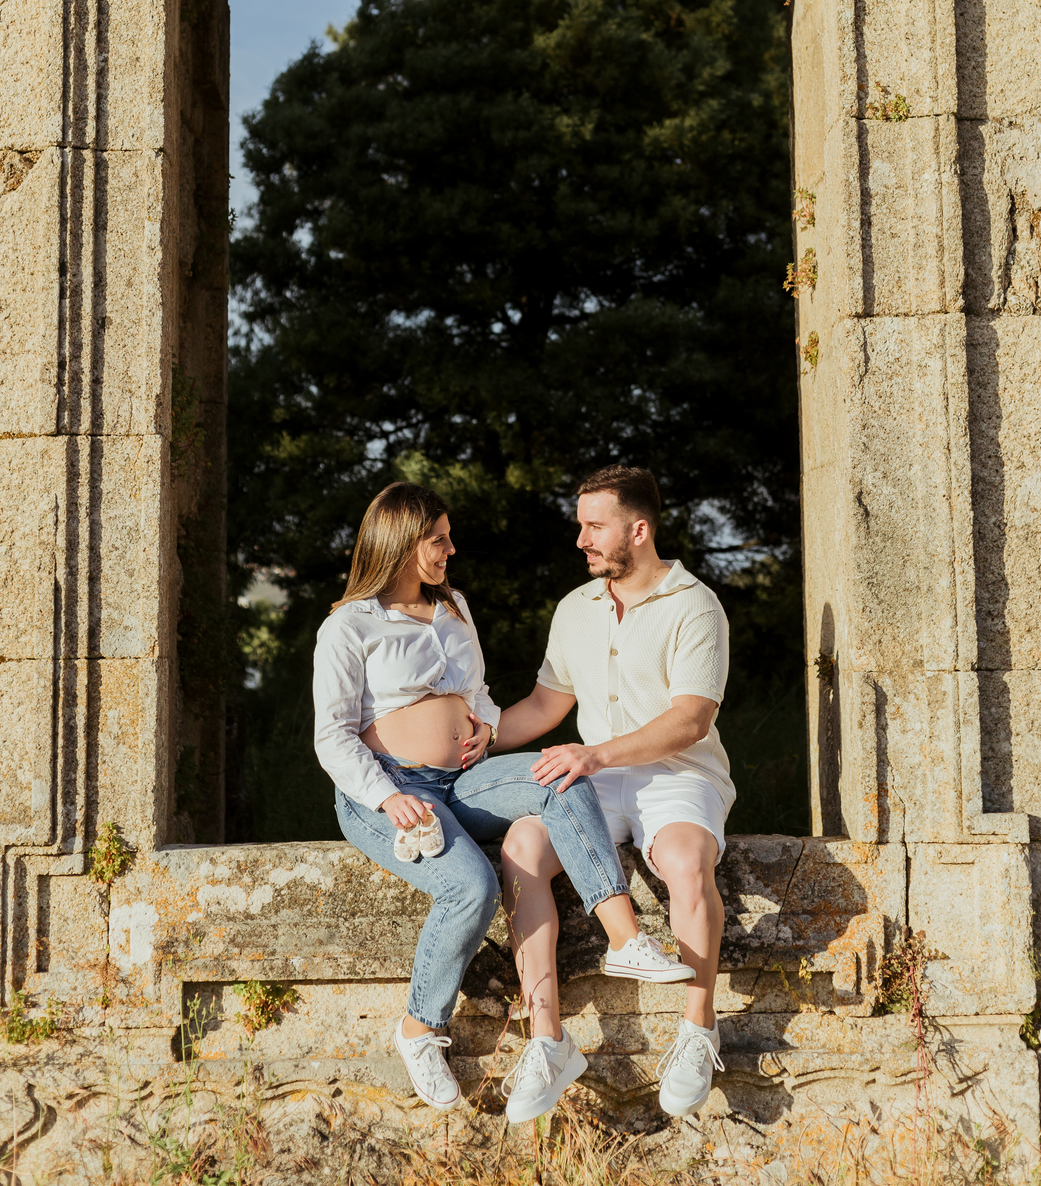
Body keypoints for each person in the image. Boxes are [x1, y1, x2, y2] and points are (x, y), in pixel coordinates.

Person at [312, 481, 693, 1123]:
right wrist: (386, 797)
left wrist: (485, 726)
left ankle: (625, 939)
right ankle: (419, 1029)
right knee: (471, 885)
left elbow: (479, 692)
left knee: (560, 772)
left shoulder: (454, 607)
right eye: (439, 539)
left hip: (463, 778)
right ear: (403, 546)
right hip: (388, 790)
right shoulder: (350, 625)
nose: (450, 549)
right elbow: (332, 736)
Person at [495, 464, 734, 1117]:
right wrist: (480, 737)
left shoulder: (695, 604)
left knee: (686, 860)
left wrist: (595, 752)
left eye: (594, 526)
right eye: (581, 526)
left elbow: (692, 718)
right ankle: (548, 1043)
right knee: (521, 846)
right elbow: (547, 702)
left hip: (678, 772)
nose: (581, 540)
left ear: (639, 528)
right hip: (591, 779)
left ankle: (697, 1027)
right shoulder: (576, 608)